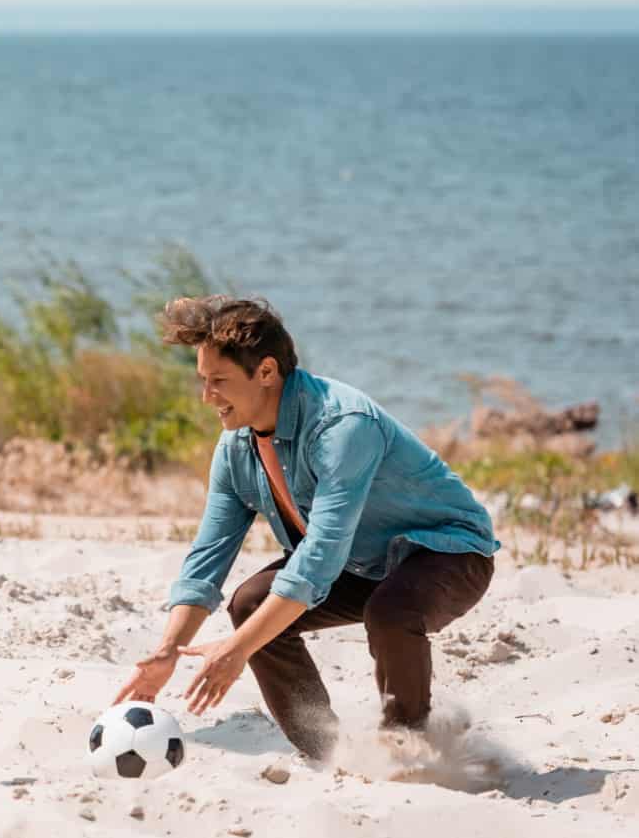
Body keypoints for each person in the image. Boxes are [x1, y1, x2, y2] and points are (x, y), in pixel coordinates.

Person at [113, 296, 499, 762]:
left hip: (450, 552)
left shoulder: (342, 426)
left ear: (267, 372)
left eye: (219, 381)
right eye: (202, 380)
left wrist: (235, 652)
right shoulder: (236, 447)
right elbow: (208, 556)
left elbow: (317, 562)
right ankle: (326, 749)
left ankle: (408, 744)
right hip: (359, 561)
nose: (206, 396)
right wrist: (168, 651)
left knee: (390, 611)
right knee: (250, 603)